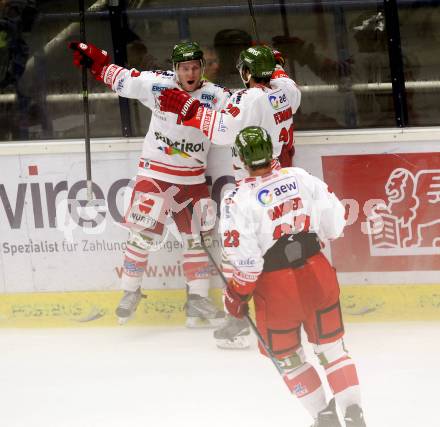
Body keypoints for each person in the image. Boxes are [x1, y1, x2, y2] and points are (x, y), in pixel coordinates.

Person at [68, 40, 232, 327]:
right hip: (155, 176)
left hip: (193, 180)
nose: (190, 73)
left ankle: (197, 301)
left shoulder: (216, 96)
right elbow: (123, 80)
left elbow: (238, 119)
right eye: (184, 68)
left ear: (202, 69)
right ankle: (130, 291)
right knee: (143, 235)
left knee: (197, 241)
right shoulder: (159, 85)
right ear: (175, 69)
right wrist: (97, 64)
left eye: (195, 67)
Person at [219, 125, 367, 427]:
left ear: (242, 158)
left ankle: (323, 416)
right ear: (271, 151)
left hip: (276, 291)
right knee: (333, 351)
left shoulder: (237, 199)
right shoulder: (300, 177)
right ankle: (354, 413)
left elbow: (247, 267)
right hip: (317, 273)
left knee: (289, 358)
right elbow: (336, 222)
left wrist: (234, 298)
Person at [158, 45, 301, 348]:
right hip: (286, 184)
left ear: (246, 72)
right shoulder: (288, 90)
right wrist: (272, 60)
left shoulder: (248, 99)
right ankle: (290, 314)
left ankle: (236, 324)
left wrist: (189, 110)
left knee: (237, 255)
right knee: (280, 250)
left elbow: (222, 131)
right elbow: (278, 72)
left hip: (255, 187)